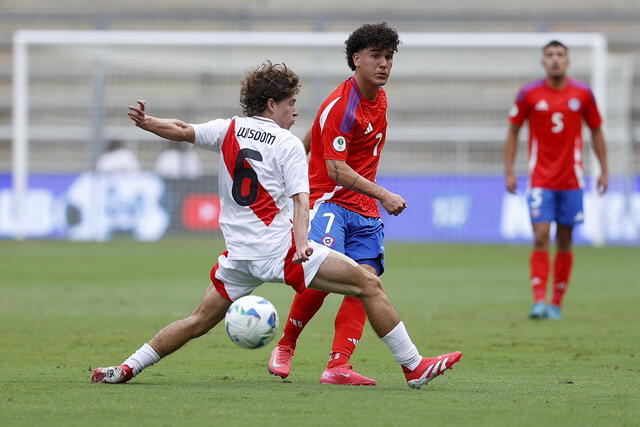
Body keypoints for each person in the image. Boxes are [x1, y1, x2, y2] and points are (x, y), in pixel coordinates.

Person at [90, 61, 461, 389]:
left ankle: (126, 367)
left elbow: (183, 129)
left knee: (198, 320)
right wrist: (302, 244)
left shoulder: (229, 128)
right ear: (271, 104)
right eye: (291, 104)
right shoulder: (286, 145)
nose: (296, 112)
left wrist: (148, 123)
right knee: (369, 283)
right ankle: (414, 367)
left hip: (238, 257)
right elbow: (302, 202)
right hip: (280, 252)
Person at [267, 23, 407, 386]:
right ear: (356, 59)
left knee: (366, 281)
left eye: (389, 57)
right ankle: (285, 345)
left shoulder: (379, 97)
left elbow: (317, 132)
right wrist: (385, 194)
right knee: (323, 280)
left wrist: (295, 154)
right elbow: (337, 170)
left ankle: (338, 365)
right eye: (376, 56)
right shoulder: (341, 105)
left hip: (364, 209)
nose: (384, 64)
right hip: (329, 202)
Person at [504, 40, 608, 320]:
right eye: (550, 55)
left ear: (568, 61)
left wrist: (604, 169)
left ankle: (556, 303)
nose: (555, 60)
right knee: (540, 236)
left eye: (560, 55)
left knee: (565, 239)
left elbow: (597, 130)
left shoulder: (583, 94)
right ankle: (539, 300)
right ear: (543, 62)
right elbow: (513, 131)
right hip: (540, 178)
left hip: (572, 179)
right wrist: (510, 170)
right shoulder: (529, 94)